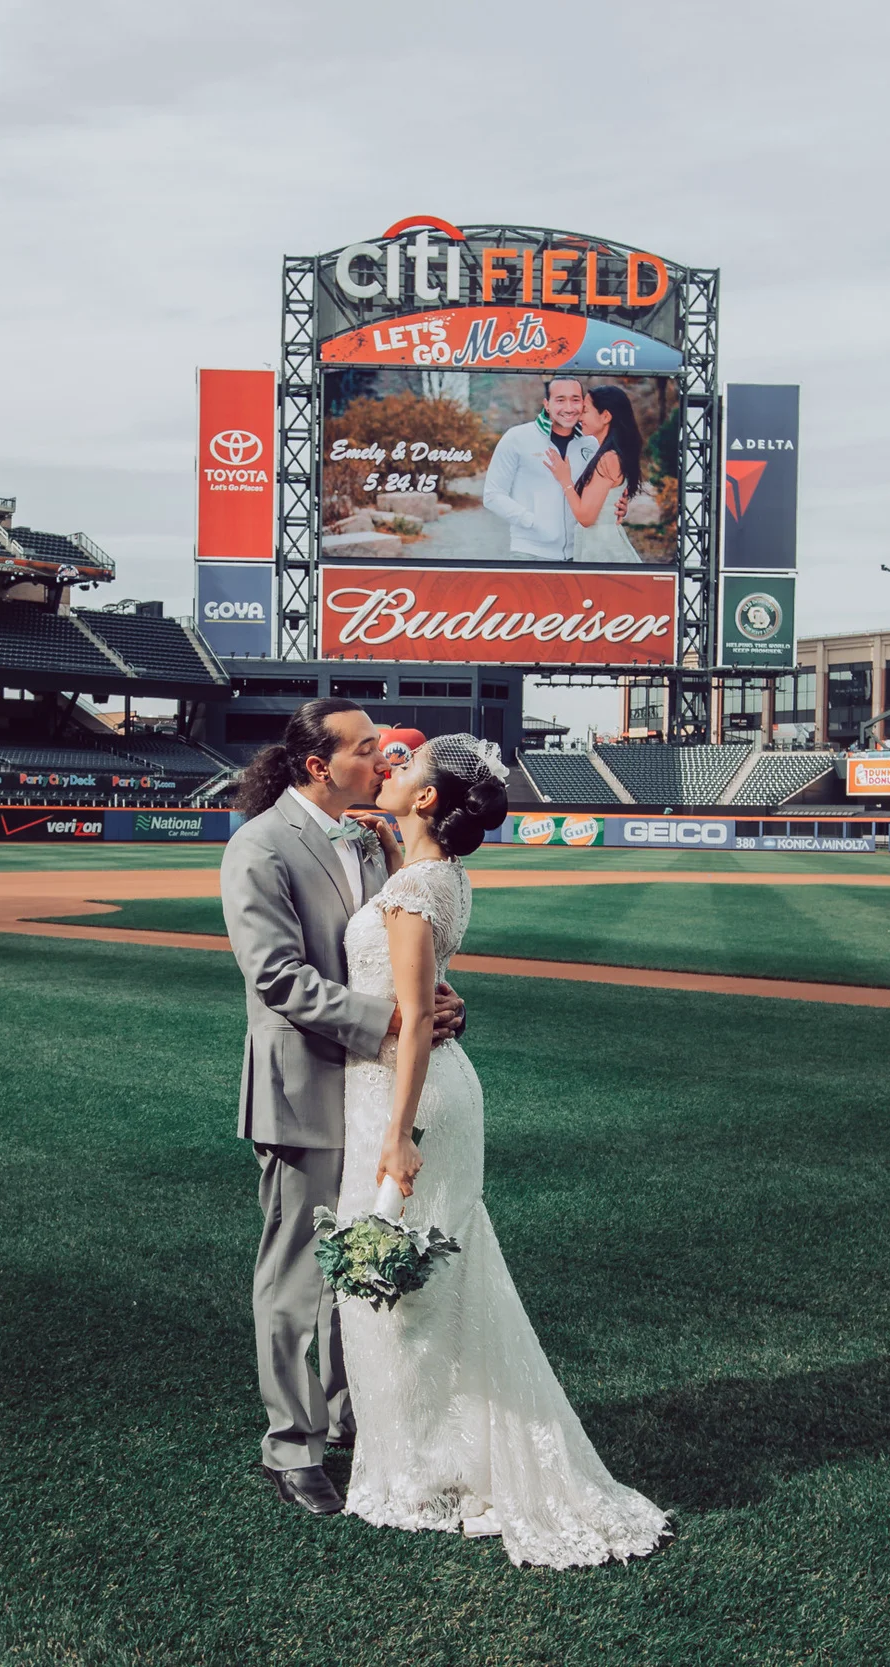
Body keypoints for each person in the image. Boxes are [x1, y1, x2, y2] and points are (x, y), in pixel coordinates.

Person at [334, 735, 672, 1568]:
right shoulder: (431, 875)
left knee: (397, 1289)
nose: (391, 764)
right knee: (427, 1283)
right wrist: (387, 849)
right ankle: (433, 1455)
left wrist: (397, 1136)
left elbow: (412, 1022)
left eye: (406, 768)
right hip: (426, 1088)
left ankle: (422, 1471)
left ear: (426, 801)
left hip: (408, 1098)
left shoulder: (415, 889)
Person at [220, 699, 465, 1517]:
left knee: (356, 1266)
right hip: (299, 1088)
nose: (386, 760)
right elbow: (279, 978)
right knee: (297, 1279)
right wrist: (394, 1019)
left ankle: (351, 1417)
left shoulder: (369, 836)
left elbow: (394, 954)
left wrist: (437, 1002)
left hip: (367, 1092)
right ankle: (292, 1447)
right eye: (368, 749)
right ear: (319, 765)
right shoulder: (257, 845)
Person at [480, 378, 600, 559]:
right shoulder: (517, 437)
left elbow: (599, 491)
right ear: (547, 404)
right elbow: (492, 495)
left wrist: (619, 508)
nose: (569, 408)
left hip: (580, 554)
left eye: (575, 399)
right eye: (560, 400)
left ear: (583, 403)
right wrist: (531, 521)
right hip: (530, 552)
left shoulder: (590, 443)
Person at [541, 384, 645, 563]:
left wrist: (565, 480)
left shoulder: (608, 459)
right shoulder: (608, 454)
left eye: (586, 411)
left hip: (602, 549)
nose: (580, 417)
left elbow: (586, 517)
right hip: (598, 544)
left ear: (605, 416)